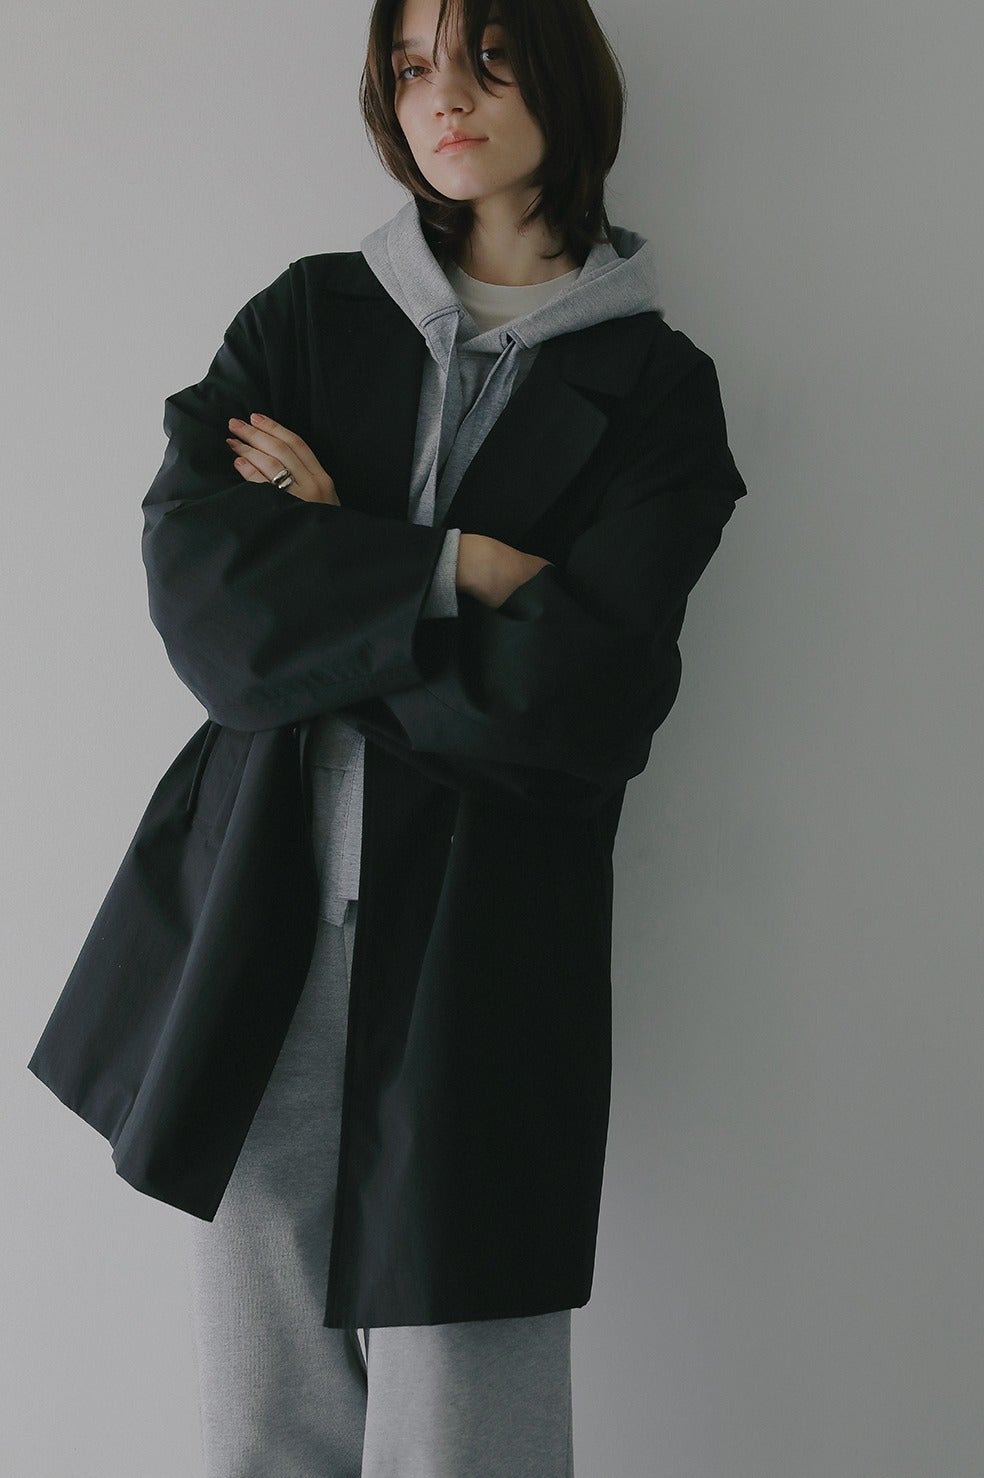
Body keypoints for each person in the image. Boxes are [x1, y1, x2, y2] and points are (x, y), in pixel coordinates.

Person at [27, 0, 747, 1473]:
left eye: (485, 56)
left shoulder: (659, 391)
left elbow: (581, 705)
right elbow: (209, 612)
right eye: (411, 67)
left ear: (561, 72)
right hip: (257, 922)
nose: (443, 96)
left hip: (487, 946)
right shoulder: (309, 317)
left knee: (466, 1432)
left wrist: (331, 575)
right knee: (266, 1426)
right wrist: (457, 570)